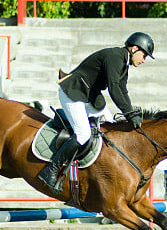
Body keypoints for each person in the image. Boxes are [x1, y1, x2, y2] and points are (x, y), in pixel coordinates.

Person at [37, 32, 155, 193]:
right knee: (83, 134)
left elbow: (122, 90)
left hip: (89, 97)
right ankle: (51, 170)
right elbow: (114, 88)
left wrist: (131, 113)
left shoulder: (123, 63)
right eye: (144, 55)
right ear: (134, 48)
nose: (143, 60)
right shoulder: (115, 57)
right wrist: (128, 113)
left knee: (111, 126)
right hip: (73, 93)